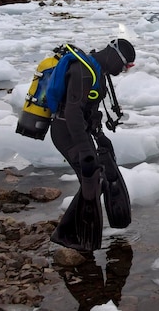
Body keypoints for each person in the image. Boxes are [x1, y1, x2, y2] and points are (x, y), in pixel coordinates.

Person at [50, 38, 136, 251]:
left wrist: (99, 136)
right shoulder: (84, 71)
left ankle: (71, 231)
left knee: (96, 181)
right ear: (116, 57)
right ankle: (65, 233)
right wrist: (85, 150)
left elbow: (90, 112)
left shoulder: (98, 72)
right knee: (92, 180)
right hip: (65, 132)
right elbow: (72, 113)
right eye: (126, 66)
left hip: (78, 131)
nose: (124, 71)